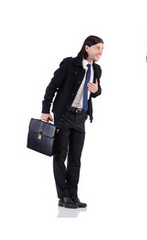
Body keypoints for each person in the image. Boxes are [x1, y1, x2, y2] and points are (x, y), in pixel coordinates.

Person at [40, 35, 104, 209]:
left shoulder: (96, 70)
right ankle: (63, 196)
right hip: (64, 115)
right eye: (98, 48)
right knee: (60, 156)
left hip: (81, 117)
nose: (101, 52)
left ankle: (73, 195)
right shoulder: (69, 64)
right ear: (87, 48)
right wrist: (45, 110)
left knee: (76, 158)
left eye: (102, 49)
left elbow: (95, 92)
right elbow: (52, 87)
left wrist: (97, 91)